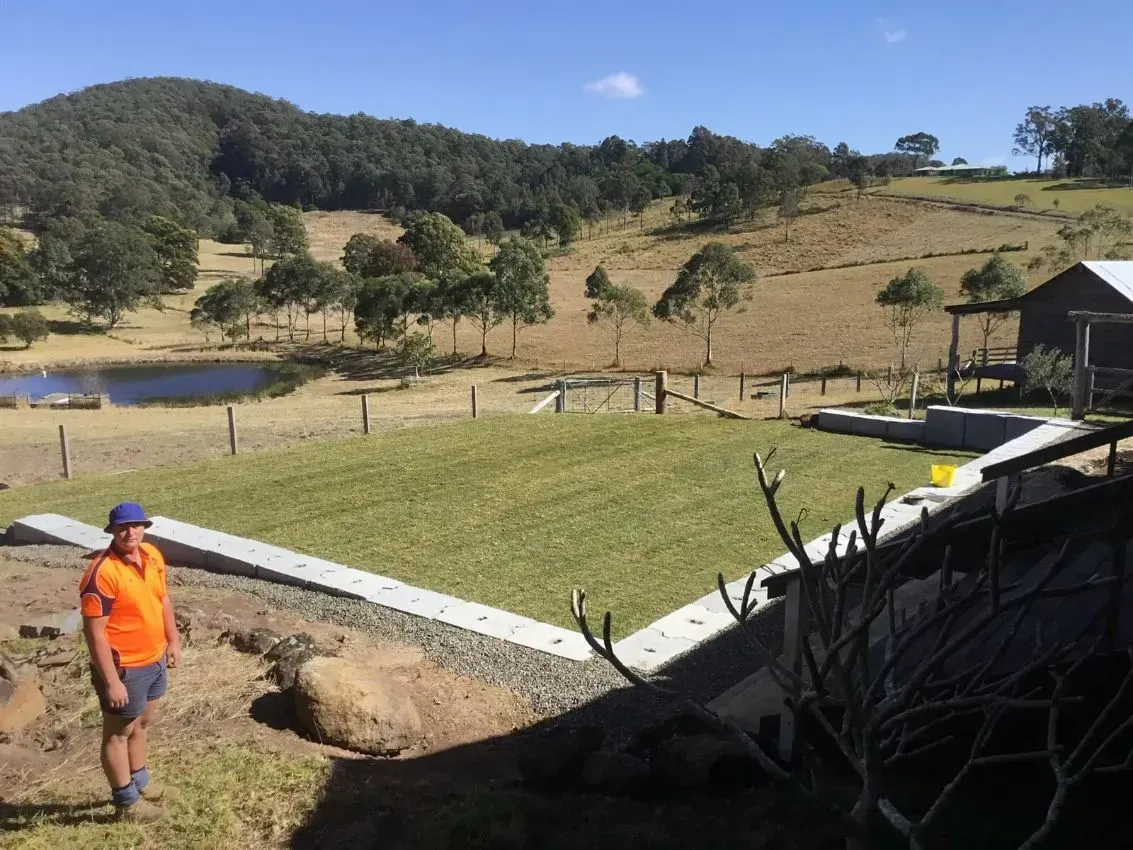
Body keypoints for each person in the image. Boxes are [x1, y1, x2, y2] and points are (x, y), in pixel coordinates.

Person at [79, 502, 180, 821]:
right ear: (112, 531)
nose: (130, 532)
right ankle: (126, 803)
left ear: (144, 527)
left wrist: (173, 640)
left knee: (141, 724)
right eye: (123, 527)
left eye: (136, 525)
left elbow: (162, 599)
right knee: (117, 734)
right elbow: (94, 633)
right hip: (124, 669)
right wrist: (111, 680)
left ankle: (141, 782)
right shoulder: (102, 572)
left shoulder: (153, 556)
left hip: (154, 660)